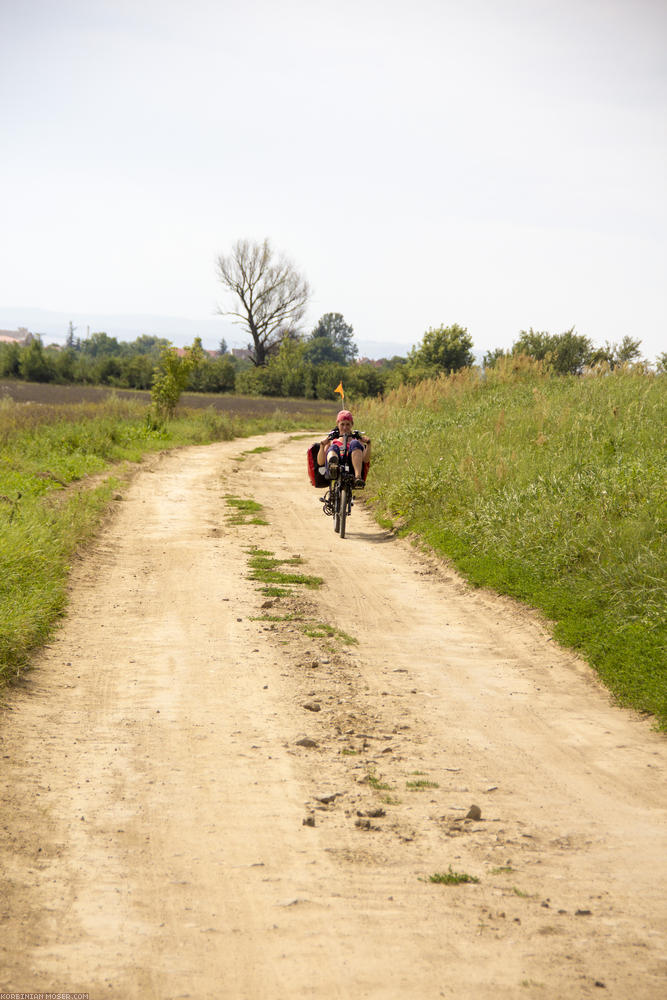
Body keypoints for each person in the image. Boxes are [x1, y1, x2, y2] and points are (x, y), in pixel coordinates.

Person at [317, 409, 371, 489]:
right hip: (335, 470)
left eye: (348, 424)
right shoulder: (332, 440)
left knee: (354, 444)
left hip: (351, 468)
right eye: (342, 424)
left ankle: (358, 478)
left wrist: (369, 444)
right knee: (334, 447)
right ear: (337, 424)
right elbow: (320, 462)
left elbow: (366, 460)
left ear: (352, 424)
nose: (345, 428)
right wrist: (322, 445)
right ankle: (333, 466)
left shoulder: (357, 441)